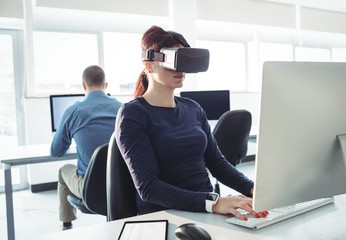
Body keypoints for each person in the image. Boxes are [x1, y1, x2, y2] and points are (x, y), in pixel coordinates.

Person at [115, 25, 267, 220]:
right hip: (165, 215)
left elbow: (217, 162)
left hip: (206, 210)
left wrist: (253, 189)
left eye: (184, 59)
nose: (181, 69)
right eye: (173, 59)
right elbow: (148, 187)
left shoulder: (193, 108)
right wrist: (213, 203)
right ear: (149, 65)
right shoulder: (132, 114)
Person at [51, 65, 122, 230]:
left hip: (90, 189)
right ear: (106, 85)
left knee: (63, 170)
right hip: (121, 184)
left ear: (84, 85)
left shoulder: (73, 111)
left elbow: (56, 152)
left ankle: (67, 225)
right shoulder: (122, 108)